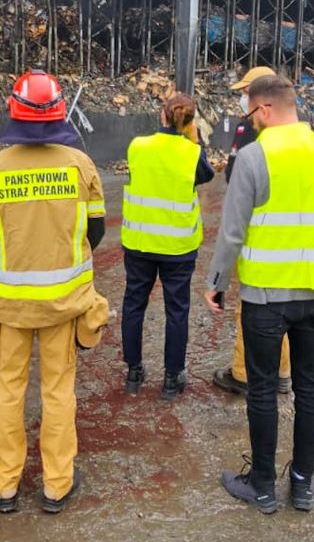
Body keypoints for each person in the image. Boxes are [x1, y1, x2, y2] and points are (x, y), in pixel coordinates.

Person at [203, 75, 314, 514]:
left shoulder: (255, 156)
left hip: (267, 297)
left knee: (264, 389)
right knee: (310, 386)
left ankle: (264, 485)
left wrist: (216, 282)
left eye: (251, 114)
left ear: (264, 109)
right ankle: (304, 484)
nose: (250, 122)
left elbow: (232, 233)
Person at [0, 70, 110, 514]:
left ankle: (5, 485)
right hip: (63, 305)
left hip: (11, 307)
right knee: (58, 392)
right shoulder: (79, 165)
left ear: (13, 112)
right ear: (59, 112)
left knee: (8, 392)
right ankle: (56, 484)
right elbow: (97, 230)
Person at [120, 93, 215, 399]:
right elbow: (206, 175)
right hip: (178, 247)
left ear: (162, 115)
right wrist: (193, 141)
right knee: (177, 311)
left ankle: (133, 372)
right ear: (191, 122)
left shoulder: (137, 146)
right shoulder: (192, 153)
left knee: (134, 305)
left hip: (139, 243)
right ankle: (172, 379)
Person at [212, 66, 292, 396]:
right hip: (290, 229)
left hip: (257, 228)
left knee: (251, 306)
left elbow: (235, 174)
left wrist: (216, 279)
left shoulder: (249, 127)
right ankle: (283, 371)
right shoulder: (301, 133)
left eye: (247, 92)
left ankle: (243, 373)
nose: (244, 99)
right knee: (286, 305)